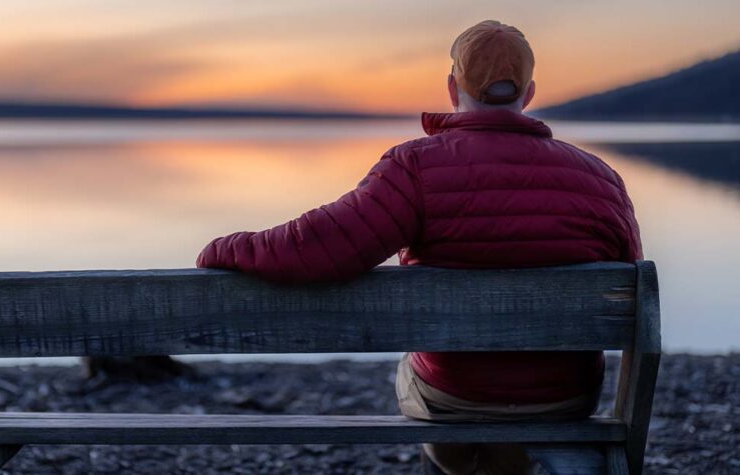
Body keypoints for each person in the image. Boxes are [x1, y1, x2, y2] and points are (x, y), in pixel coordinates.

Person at [196, 19, 641, 475]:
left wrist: (226, 249)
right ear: (528, 93)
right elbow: (630, 291)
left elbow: (317, 248)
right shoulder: (601, 180)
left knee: (419, 370)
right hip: (564, 398)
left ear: (453, 88)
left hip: (454, 396)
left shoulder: (415, 168)